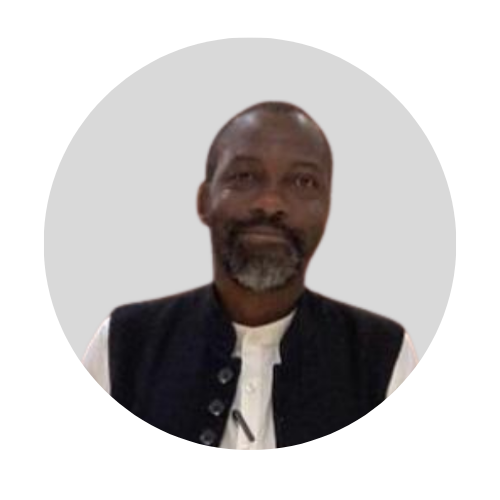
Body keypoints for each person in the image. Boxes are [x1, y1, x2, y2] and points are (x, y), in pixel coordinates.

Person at [83, 101, 418, 450]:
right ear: (204, 201)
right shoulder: (125, 344)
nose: (270, 202)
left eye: (303, 181)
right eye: (244, 177)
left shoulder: (382, 356)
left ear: (327, 208)